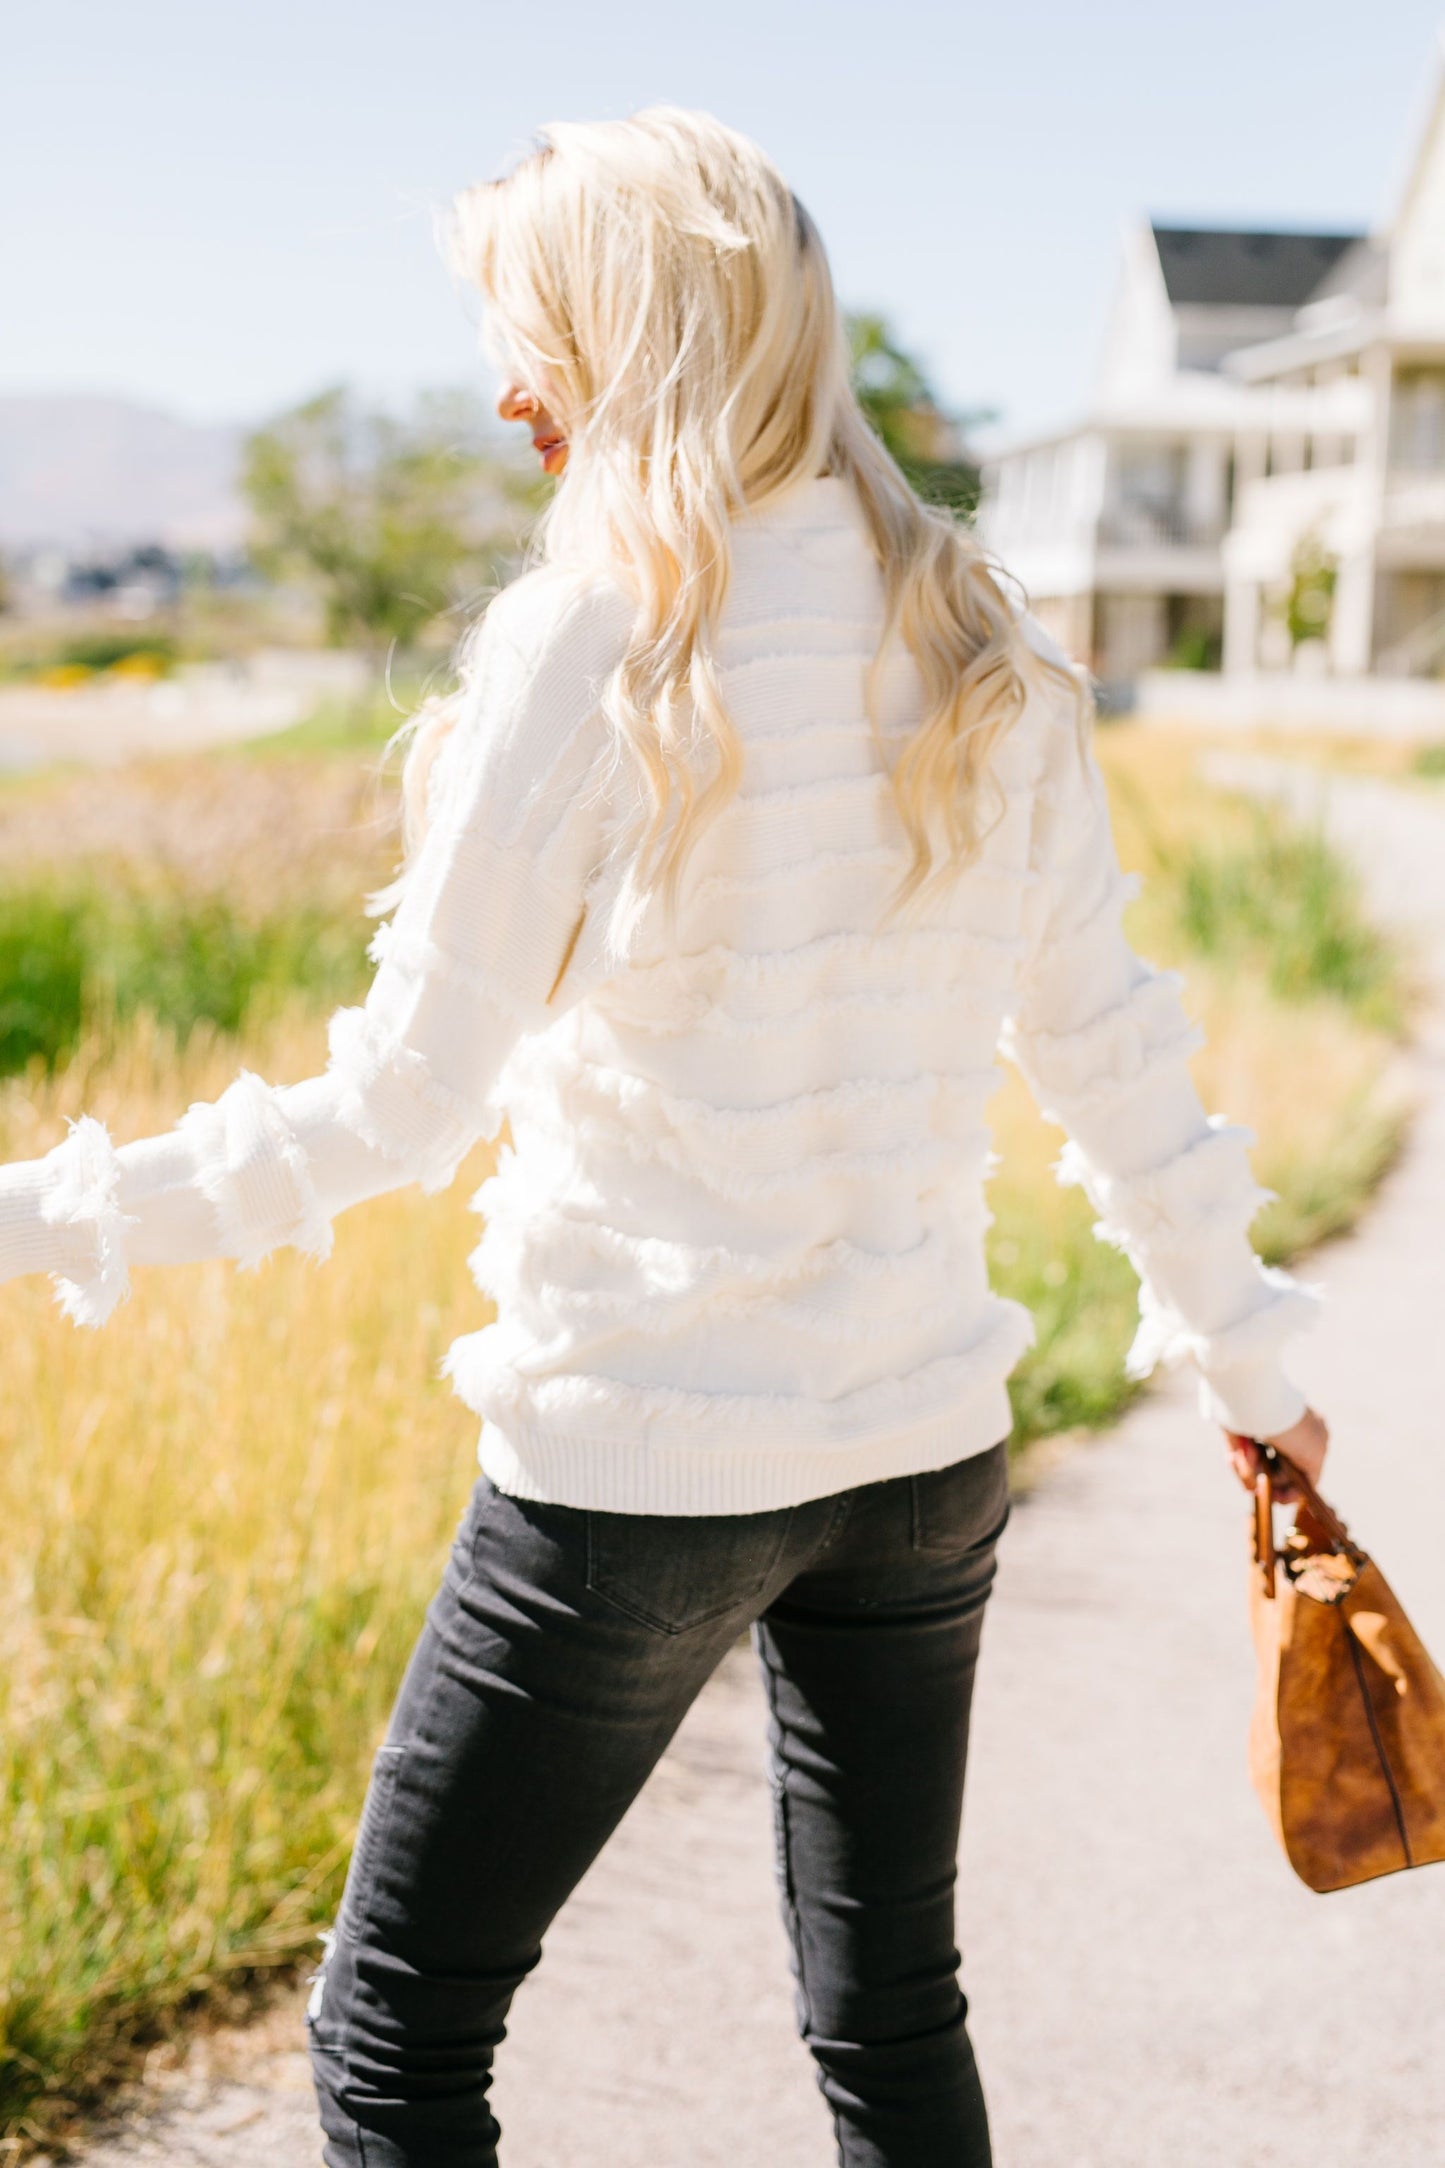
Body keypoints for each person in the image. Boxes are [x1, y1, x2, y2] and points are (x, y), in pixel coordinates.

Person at [0, 108, 1327, 2168]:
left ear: (639, 340)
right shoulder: (985, 642)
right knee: (893, 2013)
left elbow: (392, 1108)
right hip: (917, 1460)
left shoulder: (597, 640)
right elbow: (1115, 1055)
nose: (505, 386)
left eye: (532, 333)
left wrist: (33, 1215)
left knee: (397, 2037)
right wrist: (1254, 1371)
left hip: (635, 1469)